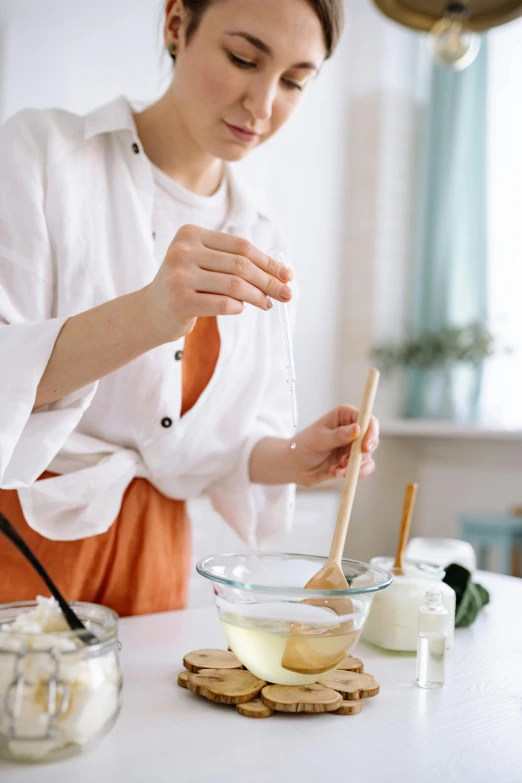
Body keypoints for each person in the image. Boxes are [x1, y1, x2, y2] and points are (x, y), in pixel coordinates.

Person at [0, 0, 379, 616]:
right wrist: (149, 315)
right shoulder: (44, 153)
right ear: (177, 25)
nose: (262, 106)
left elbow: (215, 445)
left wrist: (295, 457)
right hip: (26, 543)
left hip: (157, 564)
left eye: (293, 81)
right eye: (242, 59)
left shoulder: (261, 235)